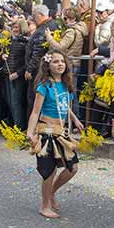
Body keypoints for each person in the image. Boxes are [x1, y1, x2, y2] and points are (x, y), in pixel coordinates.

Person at [26, 51, 85, 219]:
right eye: (55, 62)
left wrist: (75, 119)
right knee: (49, 171)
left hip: (61, 132)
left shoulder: (66, 85)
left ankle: (51, 192)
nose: (60, 64)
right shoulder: (44, 86)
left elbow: (64, 105)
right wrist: (30, 132)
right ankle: (44, 206)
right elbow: (35, 111)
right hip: (46, 132)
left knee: (72, 168)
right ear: (48, 66)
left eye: (62, 61)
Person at [5, 18, 29, 130]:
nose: (14, 30)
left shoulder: (25, 42)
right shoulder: (9, 41)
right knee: (10, 102)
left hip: (17, 76)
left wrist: (17, 73)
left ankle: (19, 128)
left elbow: (26, 62)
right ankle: (14, 126)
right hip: (7, 74)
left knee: (17, 103)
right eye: (13, 27)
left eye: (16, 27)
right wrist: (2, 56)